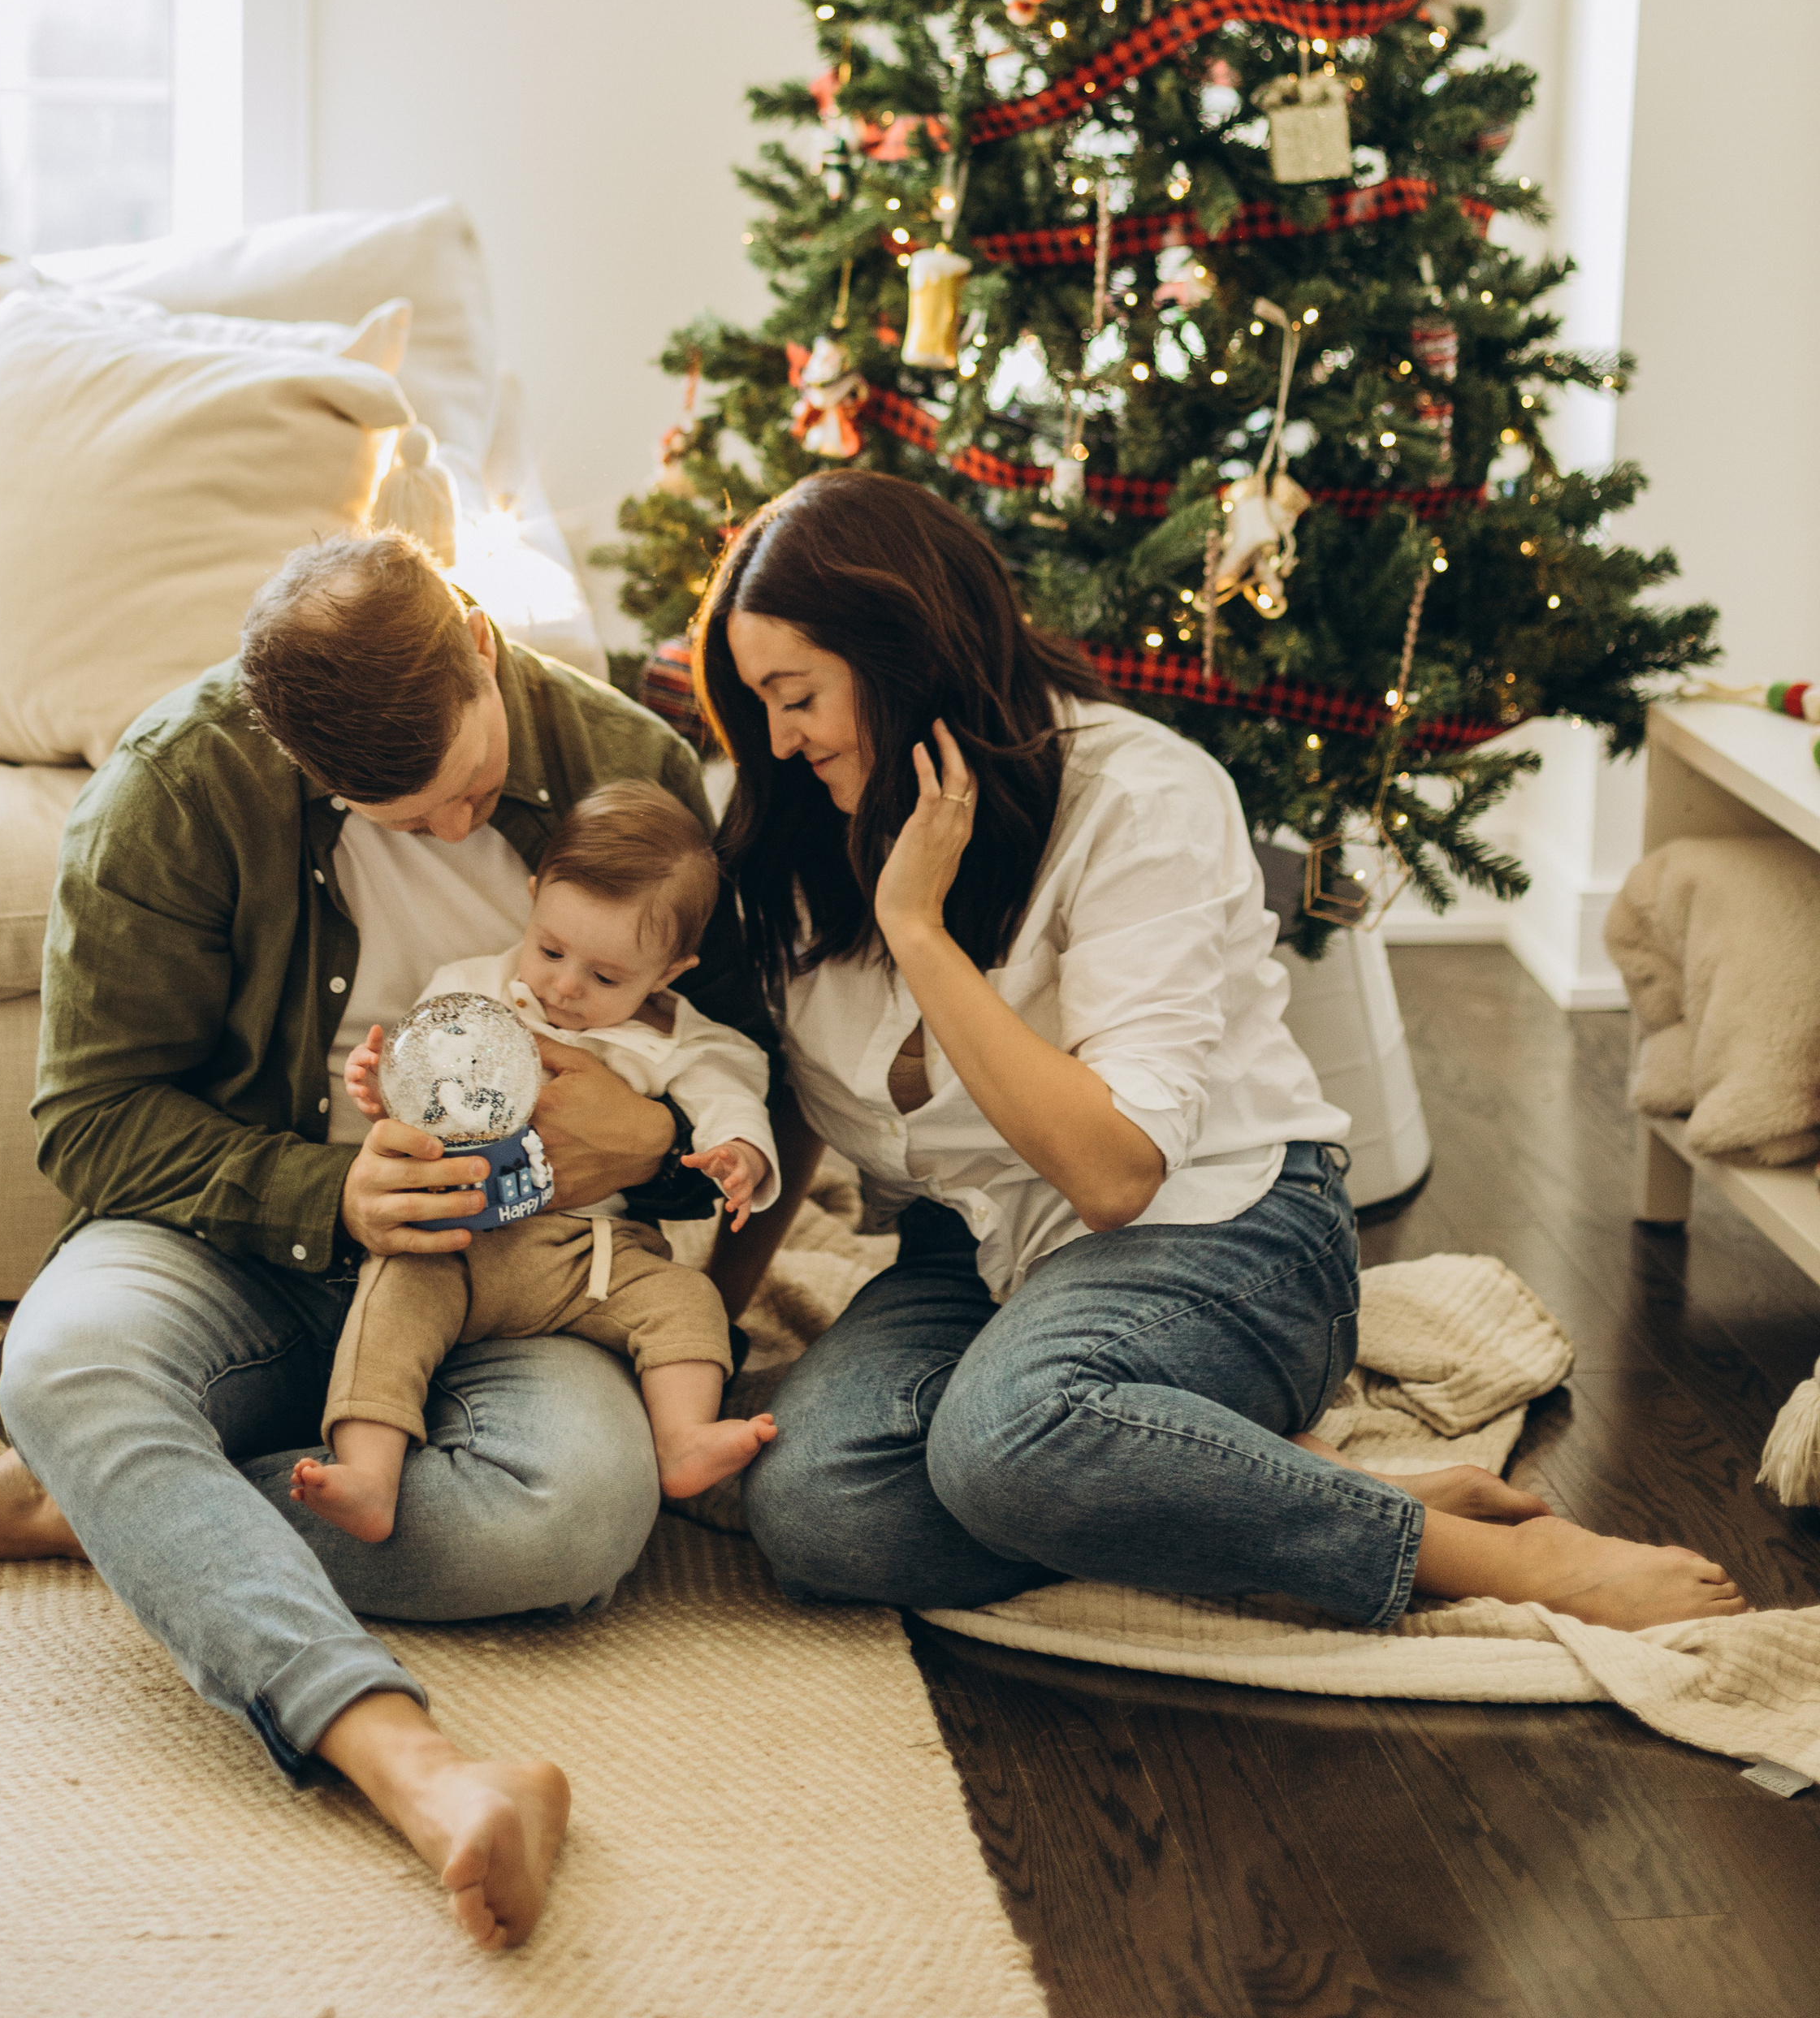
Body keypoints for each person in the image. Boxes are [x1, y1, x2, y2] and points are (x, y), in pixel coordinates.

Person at [0, 530, 772, 1954]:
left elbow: (734, 1075)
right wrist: (327, 1192)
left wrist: (655, 1148)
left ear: (481, 649)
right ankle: (420, 1772)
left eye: (475, 797)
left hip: (524, 1275)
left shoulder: (633, 771)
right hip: (241, 1241)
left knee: (574, 1518)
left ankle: (103, 1504)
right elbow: (92, 1120)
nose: (451, 835)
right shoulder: (173, 789)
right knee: (68, 1367)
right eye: (399, 812)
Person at [698, 471, 1749, 1636]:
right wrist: (704, 1335)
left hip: (1221, 1229)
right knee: (817, 1510)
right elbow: (786, 1104)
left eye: (796, 697)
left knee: (1004, 1441)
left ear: (902, 655)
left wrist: (919, 933)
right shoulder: (804, 825)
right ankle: (1254, 1479)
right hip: (977, 1248)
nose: (782, 743)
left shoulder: (1140, 797)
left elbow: (1115, 1175)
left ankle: (1474, 1557)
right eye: (762, 708)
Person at [292, 778, 780, 1544]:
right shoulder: (472, 990)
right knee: (389, 1300)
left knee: (689, 1301)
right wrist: (382, 1089)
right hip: (463, 1238)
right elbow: (429, 1091)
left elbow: (735, 1097)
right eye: (550, 948)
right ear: (532, 900)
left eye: (608, 977)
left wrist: (741, 1154)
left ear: (671, 972)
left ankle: (683, 1437)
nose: (563, 985)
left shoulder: (686, 1041)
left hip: (597, 1255)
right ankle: (367, 1472)